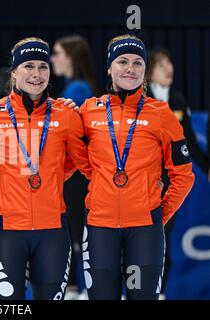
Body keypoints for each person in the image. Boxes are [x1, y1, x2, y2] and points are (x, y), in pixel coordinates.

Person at [0, 37, 92, 300]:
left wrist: (53, 173)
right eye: (28, 66)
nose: (36, 74)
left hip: (53, 231)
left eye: (42, 66)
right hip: (8, 231)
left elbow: (86, 165)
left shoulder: (66, 116)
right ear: (14, 72)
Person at [77, 34, 195, 300]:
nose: (130, 69)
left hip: (145, 229)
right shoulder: (87, 111)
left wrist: (159, 215)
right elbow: (69, 157)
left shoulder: (161, 113)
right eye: (122, 61)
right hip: (99, 226)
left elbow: (184, 175)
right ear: (109, 67)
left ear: (145, 69)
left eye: (137, 63)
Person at [146, 48, 208, 299]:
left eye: (170, 63)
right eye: (162, 64)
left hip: (169, 183)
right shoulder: (140, 98)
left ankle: (158, 293)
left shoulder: (179, 99)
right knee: (135, 239)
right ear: (150, 70)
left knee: (163, 236)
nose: (169, 68)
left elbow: (190, 141)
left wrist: (207, 166)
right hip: (142, 181)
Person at [50, 35, 98, 299]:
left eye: (57, 53)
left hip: (75, 175)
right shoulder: (75, 87)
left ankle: (73, 288)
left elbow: (75, 136)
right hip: (76, 173)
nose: (52, 59)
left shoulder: (77, 90)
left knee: (73, 231)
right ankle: (73, 287)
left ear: (71, 57)